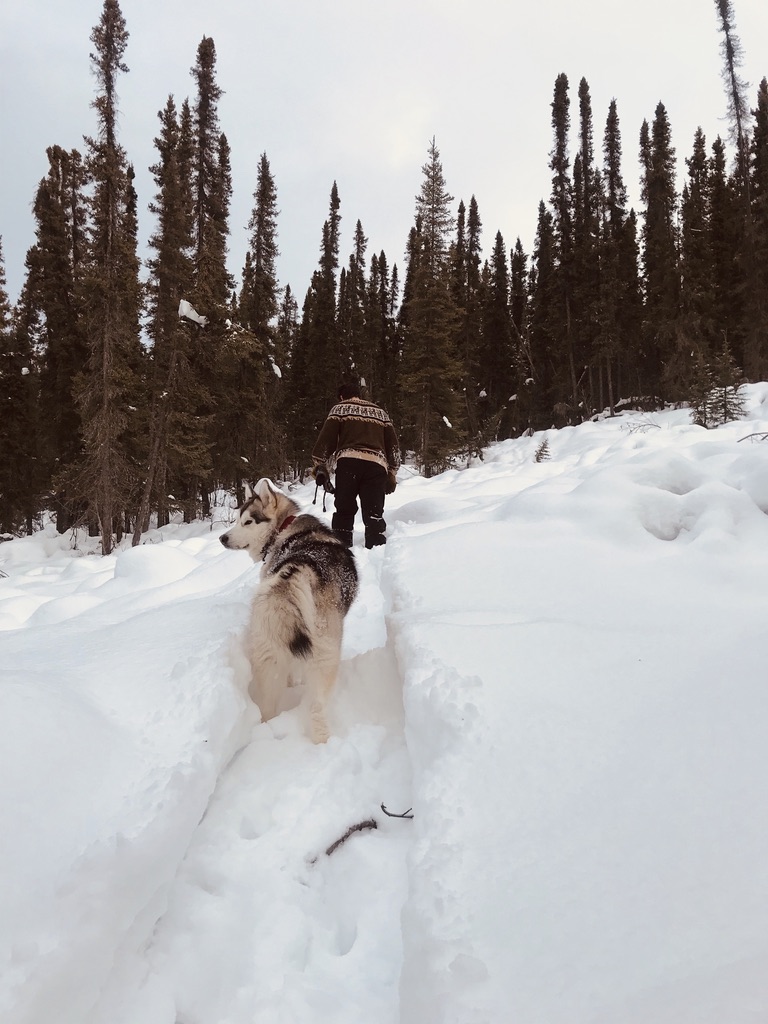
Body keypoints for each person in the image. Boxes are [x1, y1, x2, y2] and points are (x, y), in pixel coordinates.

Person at [312, 382, 400, 548]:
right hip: (376, 465)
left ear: (341, 397)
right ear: (359, 395)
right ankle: (376, 547)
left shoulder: (340, 408)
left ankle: (342, 549)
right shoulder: (380, 413)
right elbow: (393, 445)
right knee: (373, 510)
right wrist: (392, 472)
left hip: (349, 463)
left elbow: (327, 439)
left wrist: (320, 465)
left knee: (344, 509)